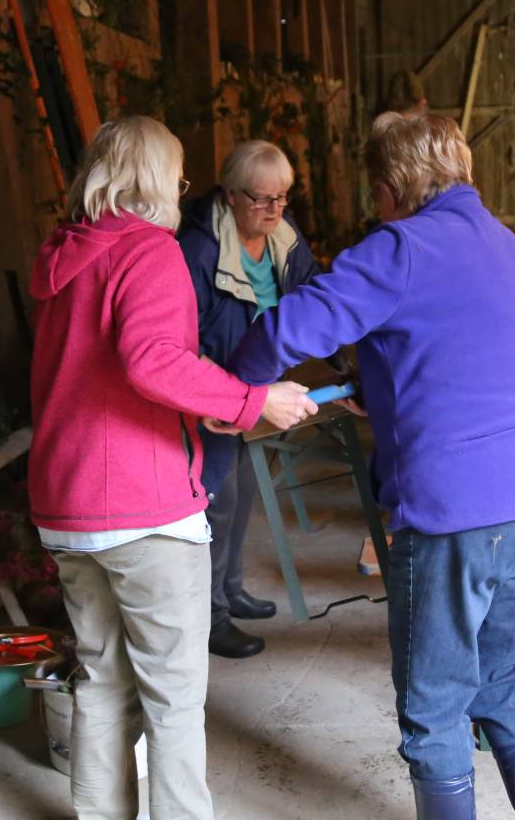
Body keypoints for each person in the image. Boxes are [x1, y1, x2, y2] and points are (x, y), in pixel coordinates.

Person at [225, 111, 515, 820]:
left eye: (377, 192)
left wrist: (235, 391)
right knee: (499, 682)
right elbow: (472, 345)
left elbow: (290, 327)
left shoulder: (400, 247)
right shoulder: (504, 242)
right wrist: (379, 386)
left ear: (392, 189)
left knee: (433, 710)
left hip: (461, 507)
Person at [28, 116, 319, 820]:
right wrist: (251, 400)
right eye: (180, 176)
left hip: (66, 503)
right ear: (160, 179)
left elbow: (104, 374)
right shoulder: (150, 250)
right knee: (174, 696)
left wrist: (206, 409)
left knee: (102, 680)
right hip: (143, 507)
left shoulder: (63, 255)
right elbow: (152, 360)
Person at [178, 140, 319, 660]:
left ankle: (230, 589)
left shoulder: (284, 236)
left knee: (245, 491)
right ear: (231, 195)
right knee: (217, 499)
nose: (274, 209)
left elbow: (314, 296)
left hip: (258, 389)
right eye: (262, 198)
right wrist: (216, 393)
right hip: (214, 390)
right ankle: (211, 617)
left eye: (283, 197)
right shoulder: (198, 250)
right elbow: (180, 335)